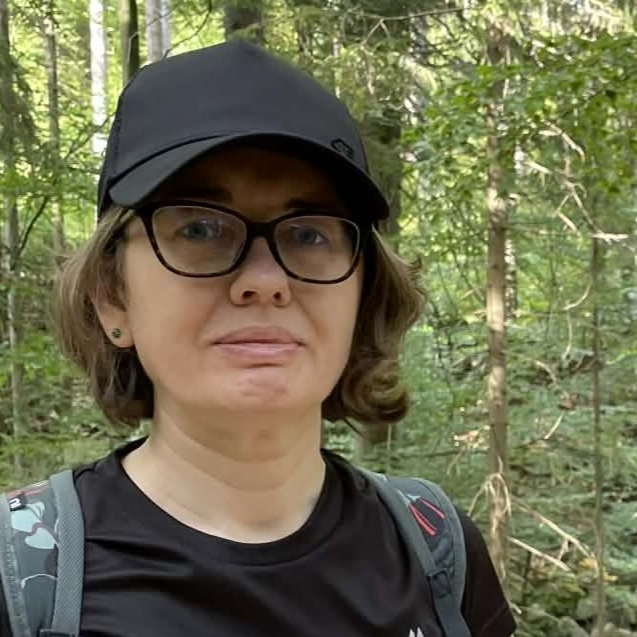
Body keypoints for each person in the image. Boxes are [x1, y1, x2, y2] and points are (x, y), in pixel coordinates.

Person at [1, 41, 516, 636]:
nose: (265, 281)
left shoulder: (437, 554)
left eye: (310, 235)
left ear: (362, 293)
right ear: (112, 295)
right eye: (200, 229)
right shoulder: (26, 581)